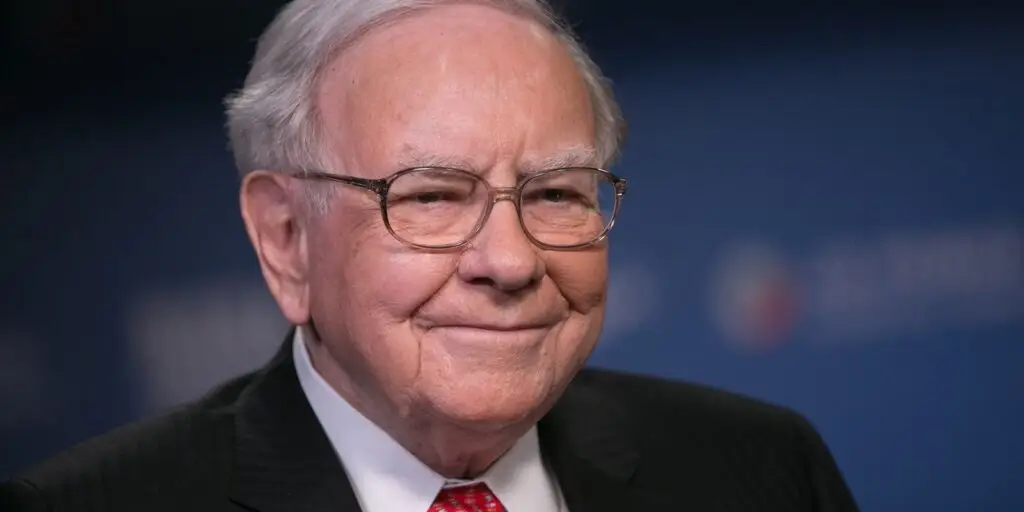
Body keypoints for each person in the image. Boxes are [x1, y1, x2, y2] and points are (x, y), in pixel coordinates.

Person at [0, 0, 859, 510]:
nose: (511, 261)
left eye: (556, 193)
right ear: (286, 240)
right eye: (432, 196)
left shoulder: (758, 473)